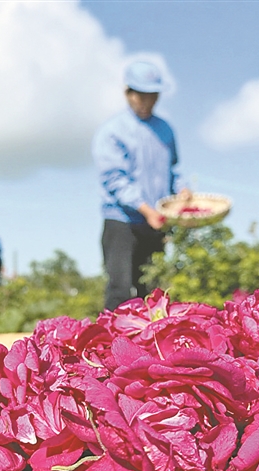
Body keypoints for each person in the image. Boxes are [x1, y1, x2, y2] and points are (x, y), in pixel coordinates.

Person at [92, 61, 179, 311]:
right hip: (122, 221)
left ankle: (152, 336)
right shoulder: (112, 132)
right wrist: (146, 210)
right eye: (141, 95)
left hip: (156, 222)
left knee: (152, 290)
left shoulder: (165, 130)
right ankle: (111, 335)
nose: (147, 102)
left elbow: (173, 170)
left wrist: (182, 191)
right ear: (127, 92)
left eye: (153, 95)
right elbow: (115, 180)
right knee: (120, 288)